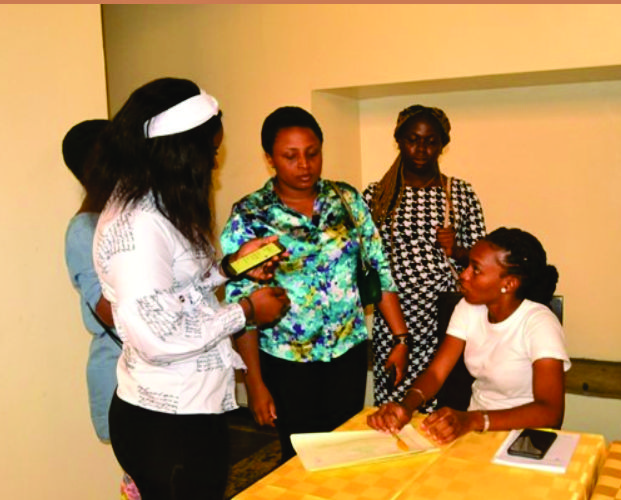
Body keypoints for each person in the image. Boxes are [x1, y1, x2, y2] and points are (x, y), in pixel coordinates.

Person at [91, 77, 290, 500]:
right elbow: (158, 335)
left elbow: (179, 290)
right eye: (211, 153)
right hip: (166, 421)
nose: (213, 165)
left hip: (193, 408)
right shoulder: (137, 226)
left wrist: (231, 268)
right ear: (180, 152)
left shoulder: (159, 204)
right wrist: (247, 311)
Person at [220, 106, 411, 460]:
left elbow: (378, 268)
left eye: (312, 153)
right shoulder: (251, 215)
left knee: (348, 452)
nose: (304, 165)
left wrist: (400, 337)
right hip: (286, 361)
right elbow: (241, 305)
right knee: (301, 459)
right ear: (270, 159)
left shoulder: (347, 200)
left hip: (347, 353)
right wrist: (255, 384)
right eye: (290, 156)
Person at [367, 227, 569, 445]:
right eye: (467, 266)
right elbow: (436, 373)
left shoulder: (539, 323)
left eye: (476, 269)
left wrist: (474, 419)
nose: (463, 275)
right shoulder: (468, 308)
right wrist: (406, 406)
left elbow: (550, 412)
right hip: (477, 432)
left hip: (524, 439)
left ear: (508, 284)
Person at [363, 104, 486, 410]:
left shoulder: (460, 193)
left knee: (444, 400)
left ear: (442, 145)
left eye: (431, 141)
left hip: (445, 316)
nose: (421, 148)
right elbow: (366, 261)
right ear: (399, 140)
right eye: (413, 139)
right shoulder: (376, 195)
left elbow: (485, 260)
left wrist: (457, 250)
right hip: (394, 318)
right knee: (394, 401)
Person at [63, 119, 141, 500]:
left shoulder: (135, 216)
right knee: (144, 480)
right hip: (119, 372)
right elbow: (111, 314)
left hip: (152, 372)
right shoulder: (84, 229)